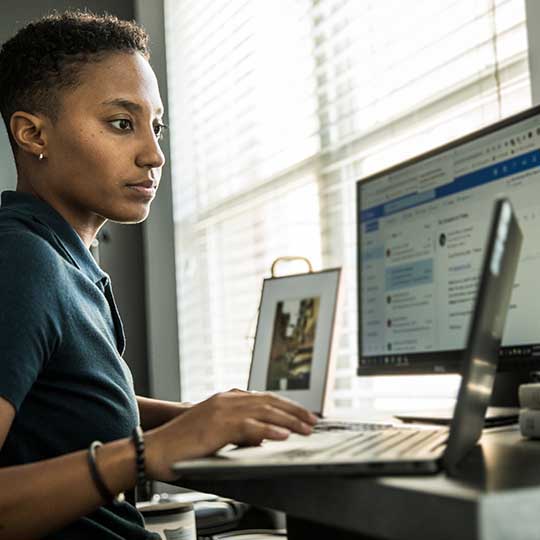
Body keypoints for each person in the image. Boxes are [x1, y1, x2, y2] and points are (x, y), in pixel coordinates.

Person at [0, 11, 317, 540]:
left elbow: (64, 397)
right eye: (122, 123)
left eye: (156, 126)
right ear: (33, 134)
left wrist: (200, 417)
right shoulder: (23, 263)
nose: (154, 154)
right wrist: (151, 454)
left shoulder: (61, 257)